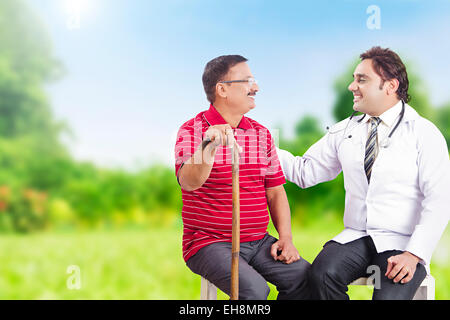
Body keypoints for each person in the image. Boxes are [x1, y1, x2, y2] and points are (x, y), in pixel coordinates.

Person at [277, 46, 449, 300]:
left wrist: (414, 254)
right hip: (357, 236)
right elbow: (305, 172)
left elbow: (439, 200)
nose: (351, 86)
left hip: (402, 242)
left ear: (390, 86)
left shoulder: (424, 133)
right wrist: (259, 146)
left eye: (362, 80)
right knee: (321, 275)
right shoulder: (345, 129)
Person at [174, 55, 310, 300]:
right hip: (209, 243)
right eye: (247, 81)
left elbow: (275, 191)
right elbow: (189, 182)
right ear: (222, 89)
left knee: (305, 278)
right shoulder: (192, 130)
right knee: (255, 291)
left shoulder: (261, 133)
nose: (255, 88)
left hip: (259, 242)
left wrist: (286, 238)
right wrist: (208, 145)